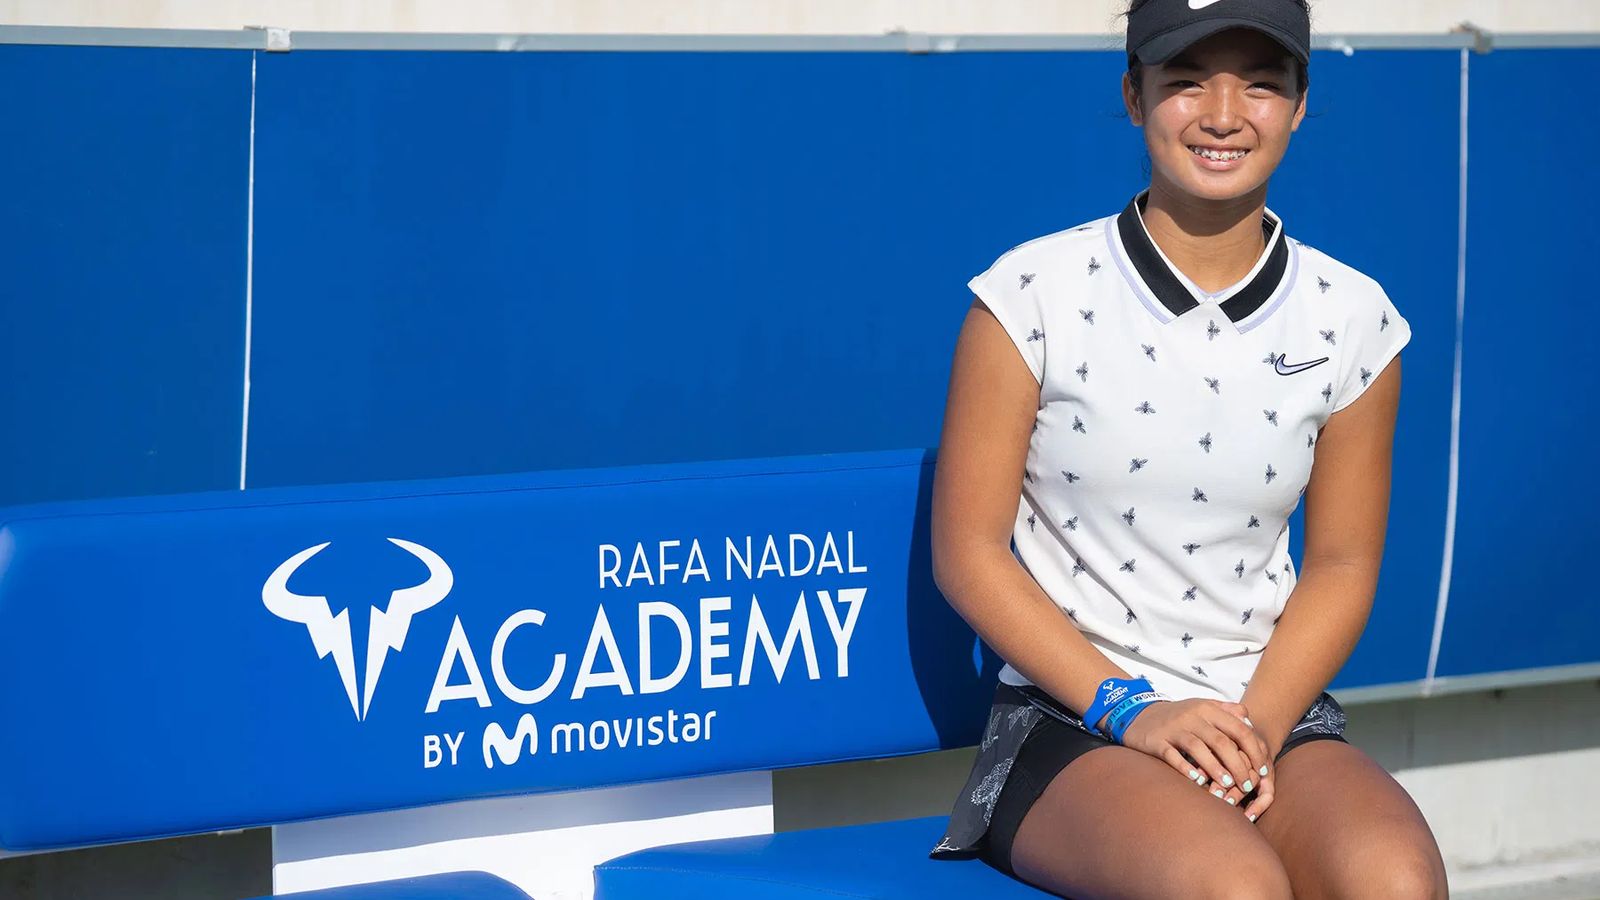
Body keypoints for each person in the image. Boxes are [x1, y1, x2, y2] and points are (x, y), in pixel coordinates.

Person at [925, 0, 1449, 896]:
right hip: (1073, 718)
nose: (1223, 114)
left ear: (1300, 103)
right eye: (1186, 81)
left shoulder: (1355, 316)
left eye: (1261, 84)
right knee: (1232, 888)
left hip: (1264, 716)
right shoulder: (1030, 292)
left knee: (1394, 881)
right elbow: (969, 554)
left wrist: (1253, 729)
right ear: (1134, 95)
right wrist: (1131, 709)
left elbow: (1343, 564)